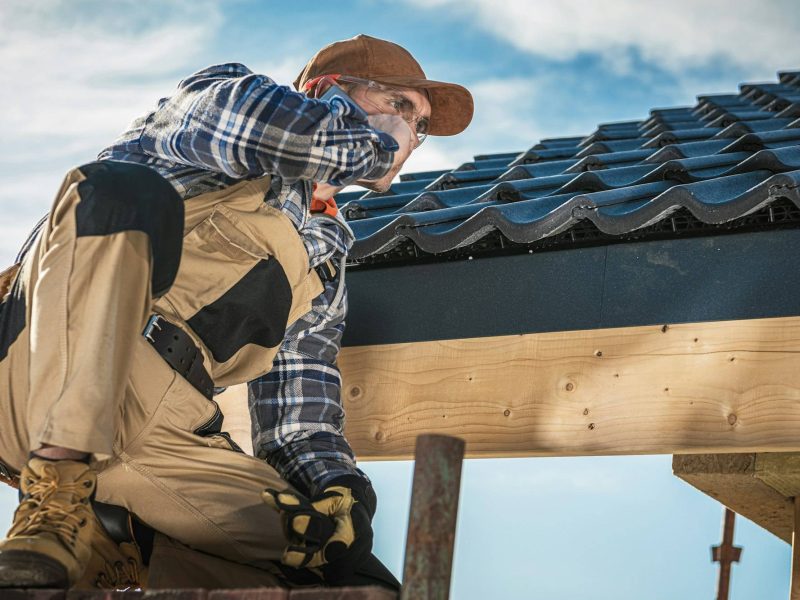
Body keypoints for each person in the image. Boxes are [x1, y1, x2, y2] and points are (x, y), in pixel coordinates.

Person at [0, 34, 473, 590]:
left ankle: (115, 537)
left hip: (167, 436)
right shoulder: (221, 105)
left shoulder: (325, 259)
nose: (410, 135)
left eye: (417, 127)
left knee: (338, 569)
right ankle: (57, 492)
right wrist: (371, 143)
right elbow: (266, 127)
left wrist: (340, 489)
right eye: (399, 105)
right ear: (326, 91)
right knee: (115, 192)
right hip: (38, 368)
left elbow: (298, 418)